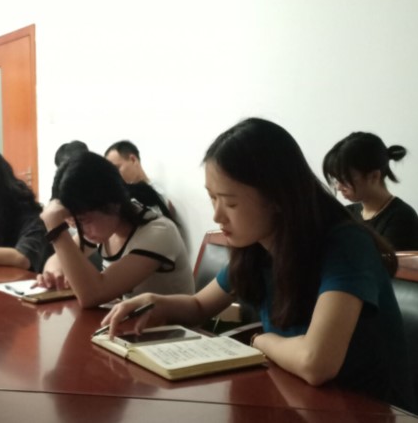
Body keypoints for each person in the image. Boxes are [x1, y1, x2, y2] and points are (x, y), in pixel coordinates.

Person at [101, 118, 415, 412]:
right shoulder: (256, 246)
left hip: (367, 410)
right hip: (295, 400)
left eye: (230, 202)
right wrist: (154, 302)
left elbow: (316, 363)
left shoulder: (345, 245)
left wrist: (260, 340)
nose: (217, 215)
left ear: (277, 197)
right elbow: (199, 306)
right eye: (212, 199)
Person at [36, 152, 194, 309]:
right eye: (73, 223)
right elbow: (55, 260)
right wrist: (54, 272)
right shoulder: (105, 227)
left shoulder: (158, 233)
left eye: (83, 220)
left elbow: (93, 294)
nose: (81, 231)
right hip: (131, 320)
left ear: (112, 204)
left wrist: (55, 228)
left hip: (171, 324)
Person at [323, 132, 418, 251]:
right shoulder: (346, 214)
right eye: (336, 180)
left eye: (345, 179)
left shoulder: (402, 218)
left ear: (374, 176)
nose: (338, 187)